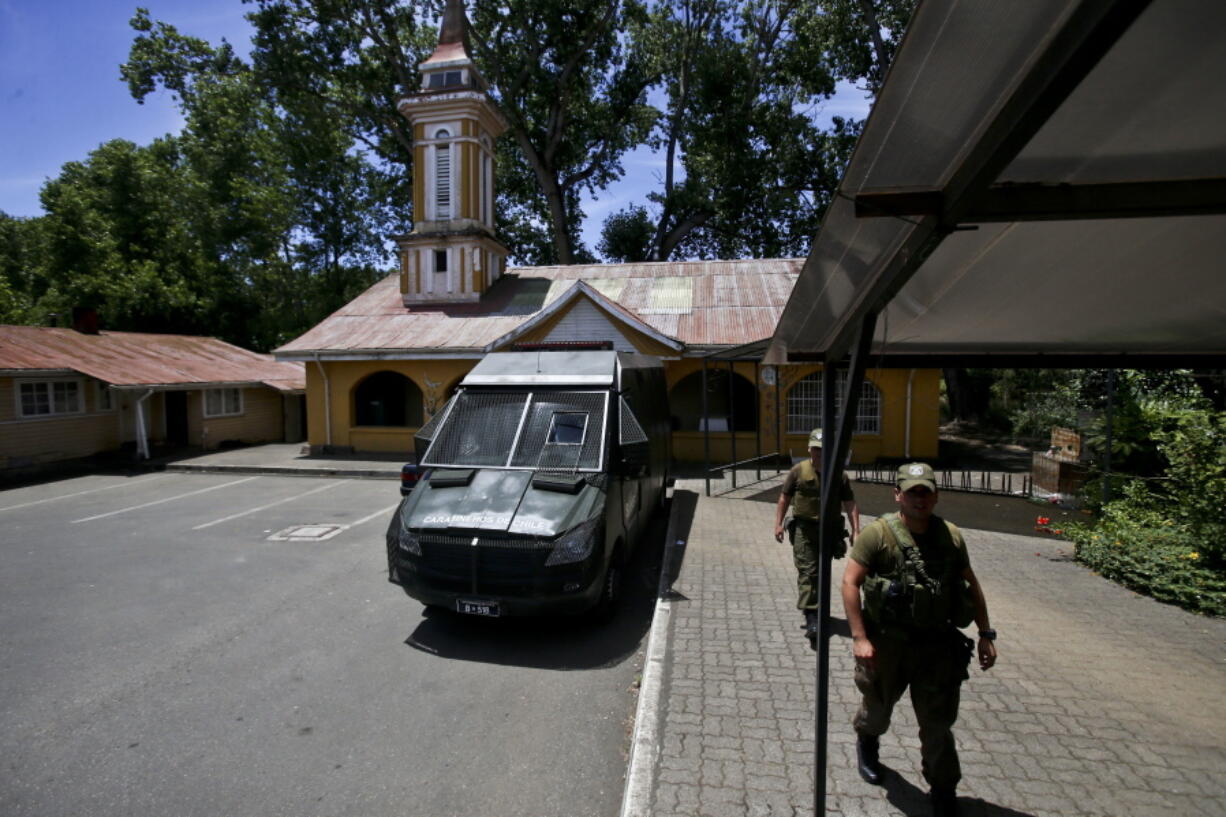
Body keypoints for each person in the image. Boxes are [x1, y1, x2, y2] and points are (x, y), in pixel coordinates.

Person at [841, 462, 997, 817]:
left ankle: (943, 789)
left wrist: (986, 634)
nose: (919, 499)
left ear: (936, 495)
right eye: (912, 492)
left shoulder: (951, 536)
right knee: (877, 710)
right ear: (898, 495)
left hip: (936, 647)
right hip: (887, 645)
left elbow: (971, 585)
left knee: (938, 726)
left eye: (926, 492)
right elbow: (850, 582)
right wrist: (859, 637)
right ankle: (867, 741)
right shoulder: (878, 535)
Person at [774, 428, 861, 648]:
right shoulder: (798, 471)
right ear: (809, 449)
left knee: (822, 570)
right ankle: (812, 616)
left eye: (824, 450)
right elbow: (784, 498)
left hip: (830, 529)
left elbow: (850, 503)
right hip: (805, 528)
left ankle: (820, 609)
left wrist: (856, 529)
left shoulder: (838, 474)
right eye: (816, 449)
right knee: (809, 570)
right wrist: (778, 524)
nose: (820, 453)